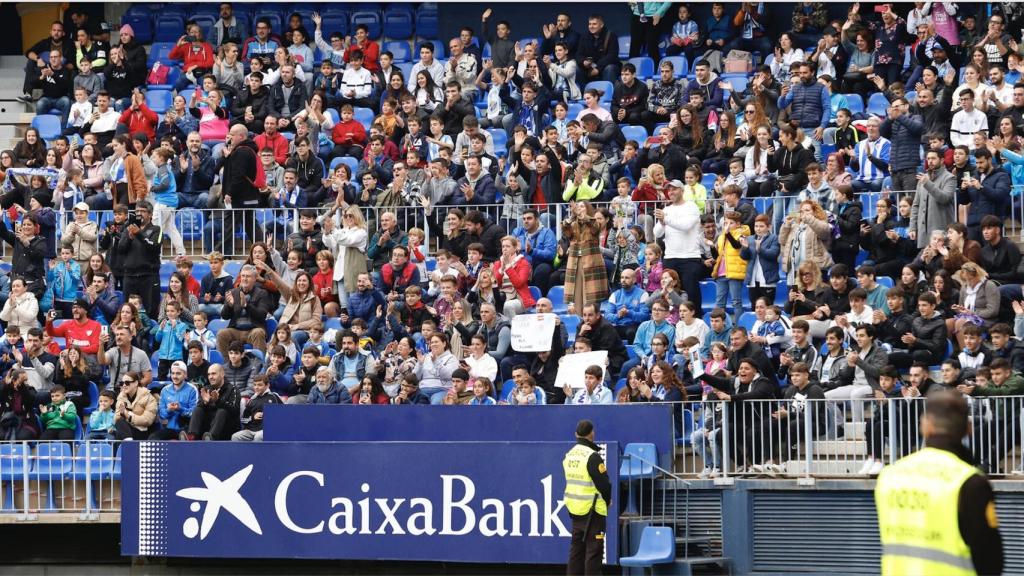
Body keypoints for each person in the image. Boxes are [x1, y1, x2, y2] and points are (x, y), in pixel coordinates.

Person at [875, 391, 1003, 575]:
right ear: (968, 428)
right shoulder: (970, 481)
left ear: (925, 425)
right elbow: (991, 559)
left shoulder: (889, 476)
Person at [563, 418, 612, 576]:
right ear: (592, 434)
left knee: (576, 553)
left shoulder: (569, 454)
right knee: (594, 553)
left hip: (575, 509)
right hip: (593, 511)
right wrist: (607, 500)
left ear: (576, 434)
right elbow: (604, 484)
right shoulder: (592, 456)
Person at [184, 363, 239, 441]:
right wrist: (205, 402)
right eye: (209, 374)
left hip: (227, 429)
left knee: (222, 411)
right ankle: (192, 436)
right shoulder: (206, 389)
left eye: (213, 374)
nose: (210, 377)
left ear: (222, 374)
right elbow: (199, 406)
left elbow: (235, 410)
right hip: (207, 429)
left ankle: (211, 437)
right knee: (198, 409)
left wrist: (218, 401)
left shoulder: (233, 389)